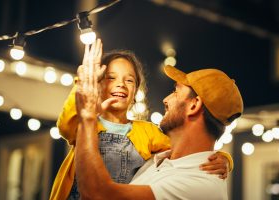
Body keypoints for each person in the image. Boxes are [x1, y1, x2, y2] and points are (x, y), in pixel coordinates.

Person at [49, 39, 234, 200]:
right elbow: (65, 125)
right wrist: (83, 86)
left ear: (136, 91)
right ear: (98, 84)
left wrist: (220, 158)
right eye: (111, 78)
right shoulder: (84, 126)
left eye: (129, 80)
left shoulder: (146, 132)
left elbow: (184, 148)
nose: (120, 83)